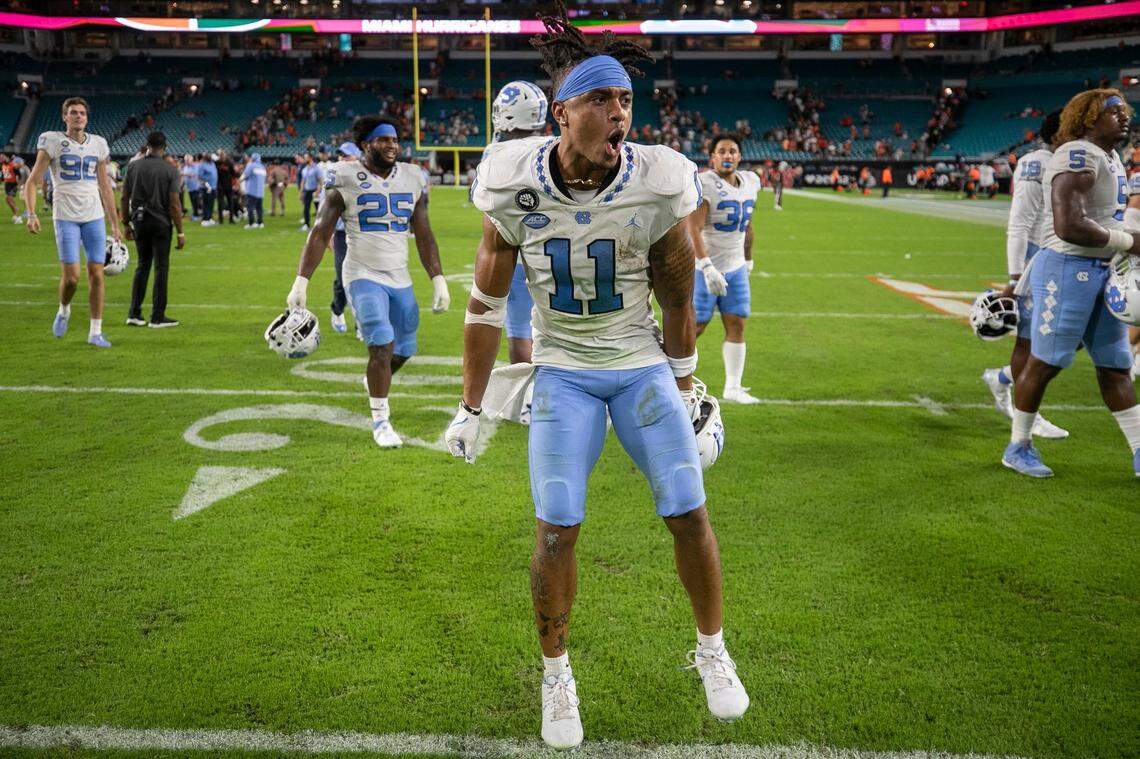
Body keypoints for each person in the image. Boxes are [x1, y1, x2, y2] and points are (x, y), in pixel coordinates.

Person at [444, 8, 749, 750]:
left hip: (639, 363)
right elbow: (485, 306)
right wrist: (470, 405)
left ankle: (711, 648)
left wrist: (683, 385)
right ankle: (556, 676)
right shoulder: (512, 180)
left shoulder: (658, 179)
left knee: (688, 509)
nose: (621, 114)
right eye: (604, 102)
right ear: (563, 113)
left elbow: (678, 294)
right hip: (565, 371)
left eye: (626, 103)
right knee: (556, 528)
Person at [284, 116, 450, 447]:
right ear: (365, 145)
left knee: (404, 349)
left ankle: (372, 378)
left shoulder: (413, 177)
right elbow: (321, 230)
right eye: (383, 139)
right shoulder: (342, 176)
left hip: (399, 275)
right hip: (360, 272)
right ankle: (380, 421)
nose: (392, 145)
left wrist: (438, 278)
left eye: (395, 139)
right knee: (381, 343)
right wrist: (301, 281)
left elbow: (424, 233)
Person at [1002, 89, 1140, 479]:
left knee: (1116, 365)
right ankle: (1018, 446)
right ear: (1088, 118)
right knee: (1045, 362)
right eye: (1113, 112)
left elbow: (1109, 221)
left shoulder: (1112, 158)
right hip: (1066, 268)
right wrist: (1130, 242)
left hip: (1103, 268)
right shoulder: (1075, 154)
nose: (1123, 117)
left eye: (1125, 111)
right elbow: (1069, 225)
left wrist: (1127, 245)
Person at [981, 111, 1067, 439]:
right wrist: (1016, 276)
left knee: (1067, 340)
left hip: (1070, 259)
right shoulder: (1038, 162)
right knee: (1030, 339)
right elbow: (1019, 222)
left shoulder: (1083, 157)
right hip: (1039, 256)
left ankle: (1002, 378)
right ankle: (1025, 414)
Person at [22, 96, 122, 347]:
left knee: (97, 274)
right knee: (72, 278)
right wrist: (31, 213)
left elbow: (105, 187)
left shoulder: (98, 144)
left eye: (82, 113)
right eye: (73, 112)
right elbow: (32, 181)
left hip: (94, 217)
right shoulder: (53, 141)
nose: (78, 116)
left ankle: (95, 332)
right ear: (64, 117)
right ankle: (64, 309)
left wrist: (115, 223)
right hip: (65, 217)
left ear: (87, 118)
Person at [688, 134, 761, 404]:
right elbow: (692, 228)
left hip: (735, 267)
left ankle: (733, 387)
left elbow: (748, 224)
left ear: (739, 157)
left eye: (732, 151)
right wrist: (706, 267)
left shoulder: (751, 182)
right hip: (703, 268)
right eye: (722, 151)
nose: (728, 155)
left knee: (737, 323)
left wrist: (748, 257)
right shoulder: (706, 182)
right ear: (713, 157)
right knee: (694, 327)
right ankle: (672, 383)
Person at [483, 79, 550, 368]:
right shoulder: (557, 147)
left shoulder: (496, 153)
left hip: (517, 251)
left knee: (520, 331)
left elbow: (488, 209)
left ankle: (526, 400)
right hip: (559, 250)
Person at [120, 130, 185, 328]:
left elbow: (124, 197)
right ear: (164, 147)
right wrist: (180, 231)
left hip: (139, 221)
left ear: (147, 145)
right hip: (160, 223)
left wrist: (126, 223)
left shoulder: (133, 167)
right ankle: (157, 316)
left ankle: (134, 313)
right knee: (161, 268)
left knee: (142, 266)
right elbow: (174, 203)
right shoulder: (170, 169)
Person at [329, 141, 362, 333]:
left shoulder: (367, 177)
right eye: (341, 155)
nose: (342, 158)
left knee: (364, 280)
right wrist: (326, 234)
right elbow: (326, 212)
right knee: (343, 278)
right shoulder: (334, 178)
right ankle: (337, 309)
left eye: (346, 155)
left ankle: (361, 324)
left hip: (362, 235)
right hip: (342, 235)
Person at [240, 152, 266, 229]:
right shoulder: (262, 167)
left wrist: (240, 181)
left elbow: (244, 175)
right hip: (260, 192)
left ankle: (251, 223)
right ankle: (260, 223)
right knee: (259, 208)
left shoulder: (251, 165)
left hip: (251, 190)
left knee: (250, 207)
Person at [298, 153, 323, 231]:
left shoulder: (316, 168)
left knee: (318, 209)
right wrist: (301, 192)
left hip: (315, 190)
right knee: (306, 208)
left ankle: (320, 226)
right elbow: (303, 181)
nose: (305, 159)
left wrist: (318, 191)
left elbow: (320, 180)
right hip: (307, 190)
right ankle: (306, 225)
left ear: (310, 158)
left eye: (306, 158)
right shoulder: (304, 169)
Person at [215, 150, 236, 224]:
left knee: (224, 203)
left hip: (223, 185)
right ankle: (229, 219)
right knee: (228, 203)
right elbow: (234, 174)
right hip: (225, 185)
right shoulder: (227, 162)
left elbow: (234, 174)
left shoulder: (218, 163)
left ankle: (223, 220)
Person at [198, 153, 218, 226]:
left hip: (213, 187)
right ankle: (205, 219)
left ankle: (209, 218)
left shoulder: (212, 164)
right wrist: (206, 184)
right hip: (206, 187)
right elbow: (200, 176)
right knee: (206, 203)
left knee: (211, 203)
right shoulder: (202, 165)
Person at [181, 154, 201, 220]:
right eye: (185, 160)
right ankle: (196, 214)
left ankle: (197, 215)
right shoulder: (185, 167)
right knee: (193, 202)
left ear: (191, 160)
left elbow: (192, 175)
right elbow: (184, 177)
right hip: (190, 188)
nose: (186, 161)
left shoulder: (195, 166)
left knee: (196, 202)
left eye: (187, 160)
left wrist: (184, 174)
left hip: (196, 187)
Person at [3, 154, 21, 223]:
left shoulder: (12, 166)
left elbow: (19, 175)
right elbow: (3, 176)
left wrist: (18, 184)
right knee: (10, 201)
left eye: (4, 157)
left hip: (13, 185)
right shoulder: (3, 165)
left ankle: (17, 215)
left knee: (8, 199)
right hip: (7, 185)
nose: (2, 158)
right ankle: (16, 215)